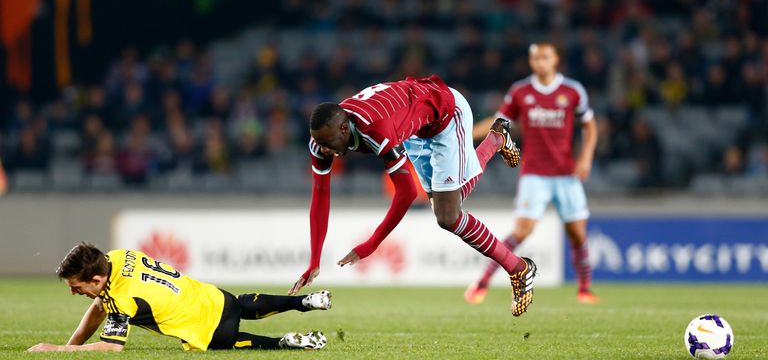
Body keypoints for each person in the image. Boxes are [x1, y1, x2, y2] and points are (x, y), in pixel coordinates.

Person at [288, 74, 537, 317]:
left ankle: (519, 268)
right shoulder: (322, 137)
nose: (323, 149)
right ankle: (496, 138)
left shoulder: (375, 129)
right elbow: (320, 196)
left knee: (448, 216)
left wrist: (371, 244)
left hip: (447, 112)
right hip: (416, 127)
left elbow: (406, 193)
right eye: (319, 142)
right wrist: (314, 261)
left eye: (327, 142)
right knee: (445, 206)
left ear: (344, 128)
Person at [464, 43, 599, 305]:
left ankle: (584, 289)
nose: (540, 62)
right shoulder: (521, 92)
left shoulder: (572, 91)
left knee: (577, 233)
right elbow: (499, 124)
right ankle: (482, 283)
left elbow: (590, 125)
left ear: (555, 59)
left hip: (565, 174)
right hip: (534, 173)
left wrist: (586, 157)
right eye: (535, 58)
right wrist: (467, 136)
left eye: (545, 57)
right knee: (522, 231)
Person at [27, 243, 330, 352]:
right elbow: (98, 307)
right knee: (240, 304)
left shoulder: (121, 299)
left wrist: (57, 349)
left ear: (96, 279)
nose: (73, 292)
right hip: (212, 296)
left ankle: (284, 342)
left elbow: (110, 348)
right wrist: (73, 343)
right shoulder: (118, 257)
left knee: (231, 341)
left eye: (77, 287)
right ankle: (302, 301)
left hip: (204, 328)